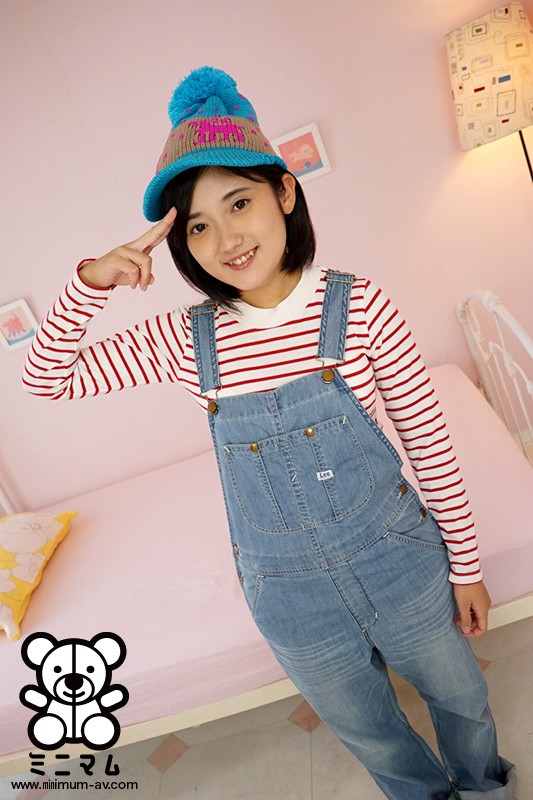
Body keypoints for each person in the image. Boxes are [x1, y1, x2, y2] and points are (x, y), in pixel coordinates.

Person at [23, 66, 516, 800]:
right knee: (370, 733)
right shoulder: (184, 339)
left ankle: (482, 789)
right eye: (197, 225)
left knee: (461, 700)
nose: (225, 238)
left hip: (400, 564)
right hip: (289, 600)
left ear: (284, 193)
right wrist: (90, 281)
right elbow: (46, 379)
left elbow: (428, 443)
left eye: (239, 202)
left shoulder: (360, 306)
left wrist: (465, 567)